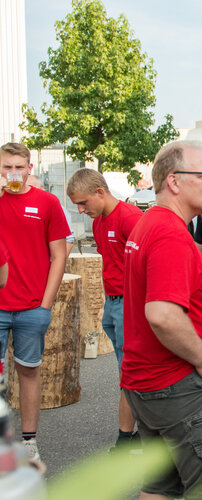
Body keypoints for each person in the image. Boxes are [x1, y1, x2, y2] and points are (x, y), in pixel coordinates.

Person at [121, 141, 202, 499]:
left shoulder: (150, 224)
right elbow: (162, 314)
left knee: (160, 487)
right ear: (173, 181)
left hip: (149, 382)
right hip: (179, 387)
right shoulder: (170, 232)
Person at [0, 143, 69, 461]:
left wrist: (45, 304)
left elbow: (59, 255)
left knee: (28, 372)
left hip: (31, 307)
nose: (12, 173)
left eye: (18, 166)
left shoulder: (47, 202)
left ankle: (29, 442)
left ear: (30, 168)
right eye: (6, 167)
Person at [66, 168, 143, 452]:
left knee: (131, 371)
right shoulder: (99, 221)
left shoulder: (131, 218)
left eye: (83, 202)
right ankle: (136, 433)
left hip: (129, 304)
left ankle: (130, 438)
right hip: (113, 303)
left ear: (101, 192)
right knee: (125, 370)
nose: (80, 209)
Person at [28, 175, 76, 256]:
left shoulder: (54, 207)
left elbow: (69, 241)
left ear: (41, 188)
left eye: (32, 188)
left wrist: (56, 265)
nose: (29, 192)